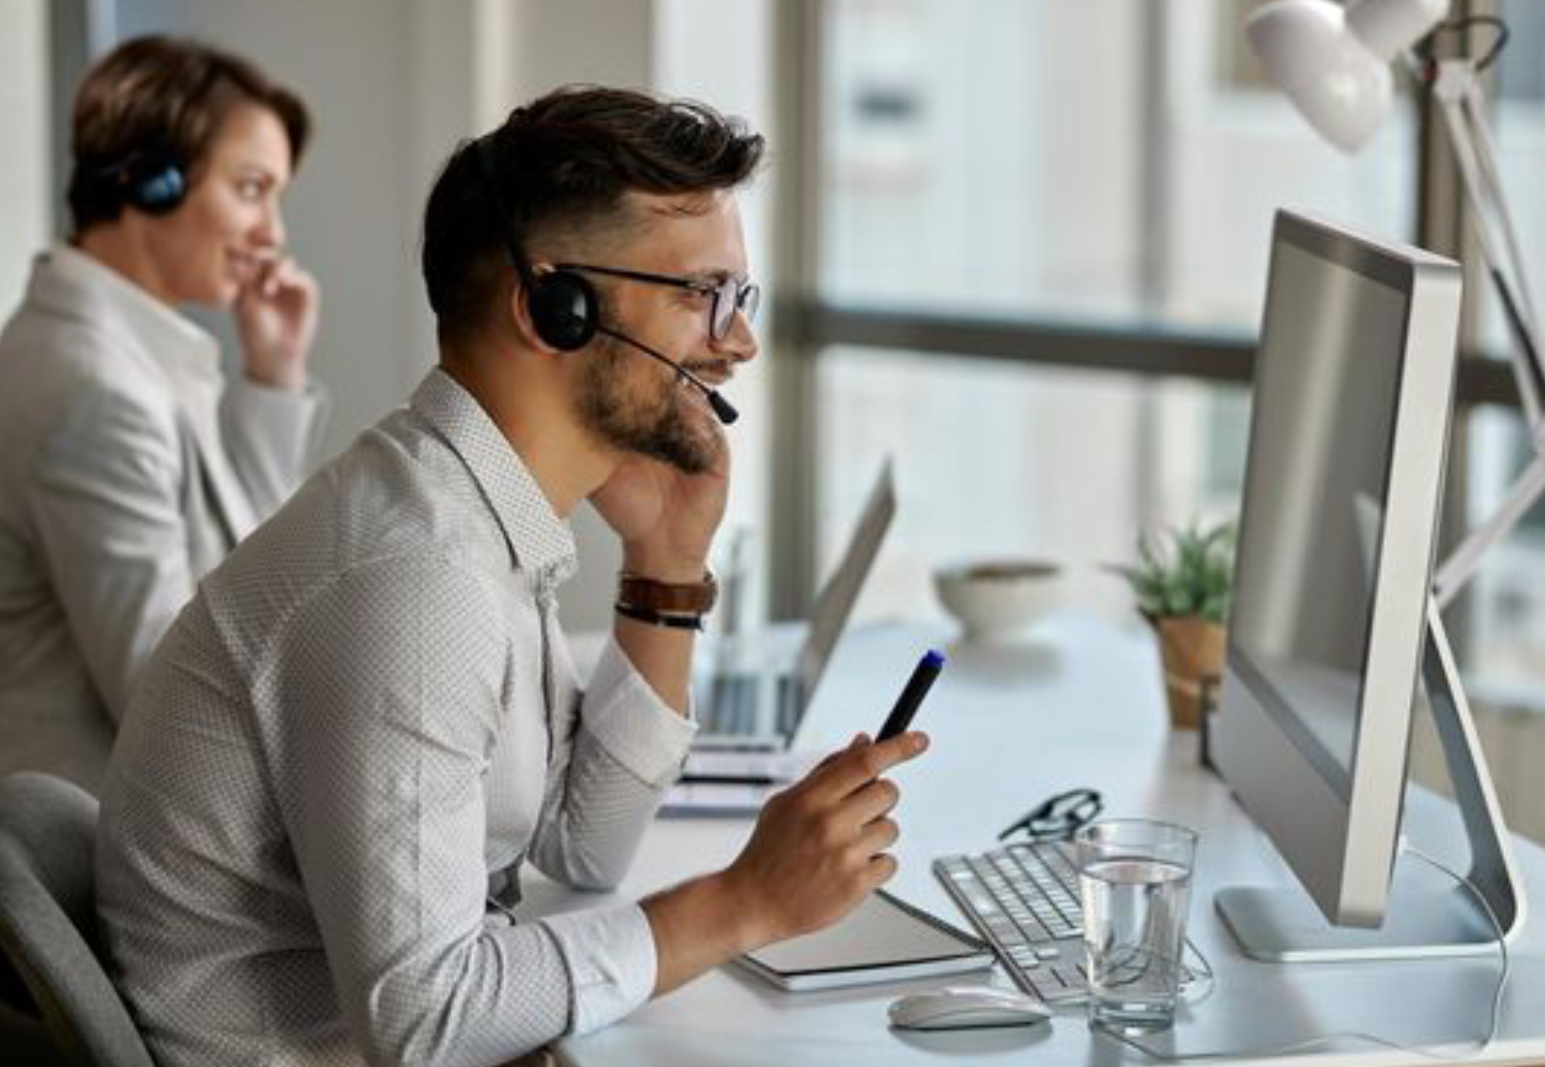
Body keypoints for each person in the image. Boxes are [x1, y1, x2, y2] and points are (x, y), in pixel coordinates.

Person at [96, 86, 928, 1067]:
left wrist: (665, 568)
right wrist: (742, 901)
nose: (737, 341)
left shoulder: (469, 511)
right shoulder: (413, 579)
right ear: (552, 307)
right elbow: (426, 1018)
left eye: (738, 299)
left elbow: (581, 847)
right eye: (702, 295)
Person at [0, 35, 325, 791]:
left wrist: (274, 375)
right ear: (151, 182)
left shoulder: (126, 353)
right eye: (251, 189)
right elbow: (173, 700)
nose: (273, 233)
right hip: (86, 871)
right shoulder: (97, 391)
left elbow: (240, 581)